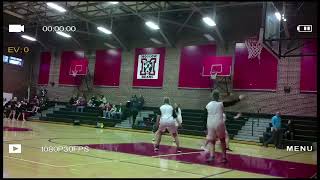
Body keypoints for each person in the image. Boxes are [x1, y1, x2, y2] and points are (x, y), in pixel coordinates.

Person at [205, 90, 245, 163]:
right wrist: (239, 99)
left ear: (212, 96)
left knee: (212, 141)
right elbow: (231, 103)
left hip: (210, 123)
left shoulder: (208, 105)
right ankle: (224, 157)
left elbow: (204, 116)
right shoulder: (221, 104)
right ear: (218, 97)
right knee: (222, 140)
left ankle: (212, 156)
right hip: (219, 123)